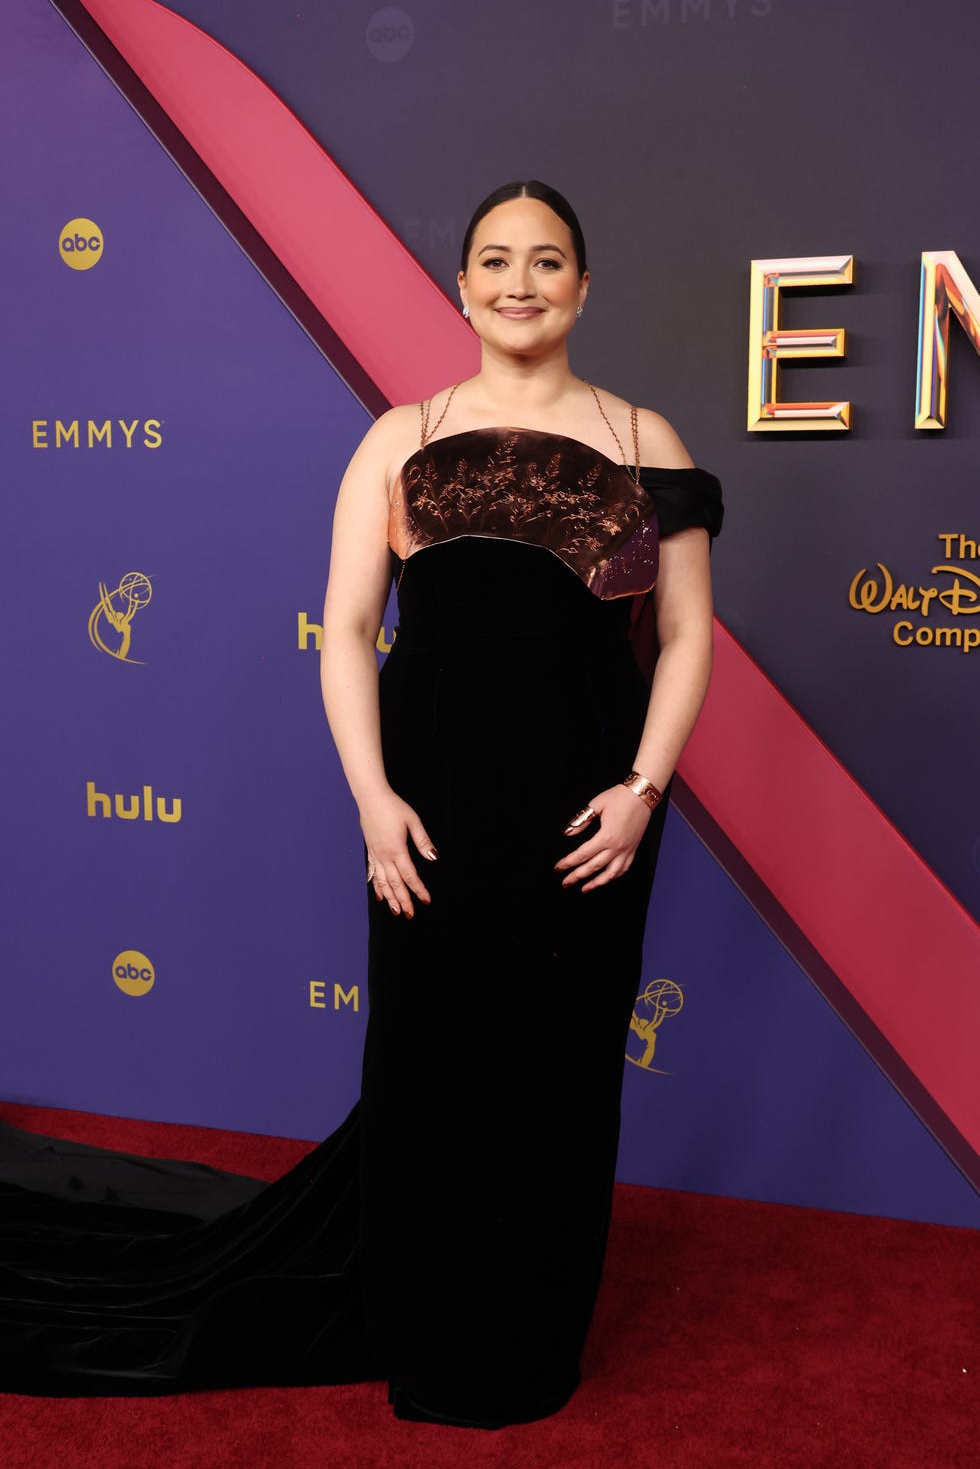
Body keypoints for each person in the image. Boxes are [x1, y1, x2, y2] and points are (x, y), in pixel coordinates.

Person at [0, 180, 722, 1429]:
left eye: (545, 262)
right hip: (431, 810)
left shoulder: (643, 439)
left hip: (587, 818)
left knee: (558, 1071)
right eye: (493, 259)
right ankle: (427, 1326)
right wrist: (373, 803)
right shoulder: (399, 435)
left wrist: (641, 793)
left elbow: (686, 637)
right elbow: (343, 633)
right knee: (435, 1063)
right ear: (458, 287)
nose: (518, 281)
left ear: (583, 288)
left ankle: (529, 1337)